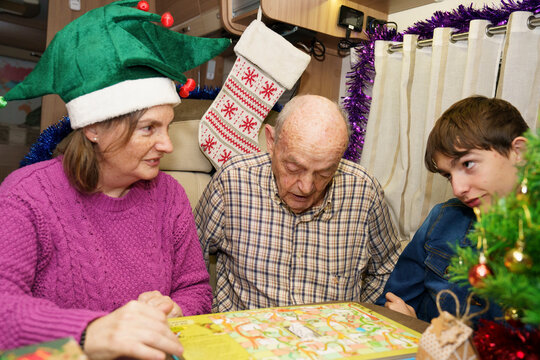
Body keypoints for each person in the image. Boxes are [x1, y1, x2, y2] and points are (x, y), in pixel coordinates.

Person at [0, 1, 230, 358]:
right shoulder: (26, 195)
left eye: (167, 126)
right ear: (94, 127)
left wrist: (176, 310)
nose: (167, 145)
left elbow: (196, 287)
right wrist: (89, 331)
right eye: (148, 128)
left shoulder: (169, 195)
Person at [194, 94, 400, 313]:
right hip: (243, 340)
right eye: (294, 168)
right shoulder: (233, 182)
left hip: (329, 342)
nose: (306, 187)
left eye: (324, 172)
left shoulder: (363, 192)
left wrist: (358, 317)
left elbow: (387, 267)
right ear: (271, 142)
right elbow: (188, 264)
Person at [376, 95, 528, 323]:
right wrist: (406, 324)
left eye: (468, 164)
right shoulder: (444, 219)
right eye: (448, 175)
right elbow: (392, 305)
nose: (457, 189)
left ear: (519, 153)